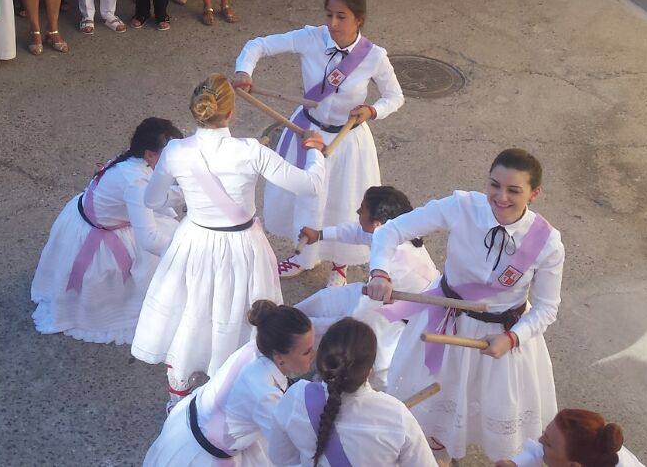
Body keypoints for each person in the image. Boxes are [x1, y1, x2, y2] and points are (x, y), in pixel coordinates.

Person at [131, 74, 325, 406]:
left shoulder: (176, 151)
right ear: (231, 113)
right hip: (243, 245)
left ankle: (178, 394)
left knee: (192, 308)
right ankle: (240, 385)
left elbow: (153, 201)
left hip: (194, 239)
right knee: (240, 310)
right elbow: (310, 186)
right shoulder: (250, 152)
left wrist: (185, 193)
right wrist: (316, 151)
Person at [362, 149, 563, 463]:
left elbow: (547, 308)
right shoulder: (462, 206)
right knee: (439, 405)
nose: (501, 196)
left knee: (498, 420)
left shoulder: (547, 243)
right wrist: (380, 271)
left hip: (504, 338)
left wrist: (513, 339)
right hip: (447, 322)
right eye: (495, 185)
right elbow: (392, 230)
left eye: (514, 190)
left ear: (534, 194)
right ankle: (438, 454)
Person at [234, 0, 402, 273]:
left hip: (346, 140)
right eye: (329, 15)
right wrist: (243, 71)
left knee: (343, 201)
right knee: (305, 198)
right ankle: (303, 256)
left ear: (358, 19)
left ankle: (340, 266)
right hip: (306, 132)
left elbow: (395, 96)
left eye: (341, 17)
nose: (333, 23)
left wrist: (373, 110)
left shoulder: (374, 56)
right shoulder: (311, 37)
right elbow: (259, 44)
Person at [33, 117, 184, 343]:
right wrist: (189, 250)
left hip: (83, 217)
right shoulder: (135, 182)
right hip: (103, 236)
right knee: (167, 249)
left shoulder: (133, 160)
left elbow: (152, 197)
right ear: (150, 155)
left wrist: (183, 193)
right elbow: (150, 238)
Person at [293, 187, 438, 385]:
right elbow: (357, 232)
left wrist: (308, 331)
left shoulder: (393, 265)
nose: (357, 213)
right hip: (389, 301)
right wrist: (319, 234)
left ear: (377, 224)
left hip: (404, 318)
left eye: (362, 210)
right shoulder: (396, 231)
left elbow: (359, 318)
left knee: (354, 340)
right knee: (327, 300)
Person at [143, 301, 316, 464]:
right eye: (306, 352)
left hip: (194, 422)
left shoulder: (259, 346)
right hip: (205, 454)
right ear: (279, 356)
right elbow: (286, 453)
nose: (313, 354)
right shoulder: (264, 393)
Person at [266, 317, 440, 466]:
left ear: (321, 360)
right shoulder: (396, 415)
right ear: (370, 370)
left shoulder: (294, 398)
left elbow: (280, 458)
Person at [496, 409, 646, 467]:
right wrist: (516, 464)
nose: (540, 440)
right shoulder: (596, 445)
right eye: (545, 433)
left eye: (548, 443)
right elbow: (540, 450)